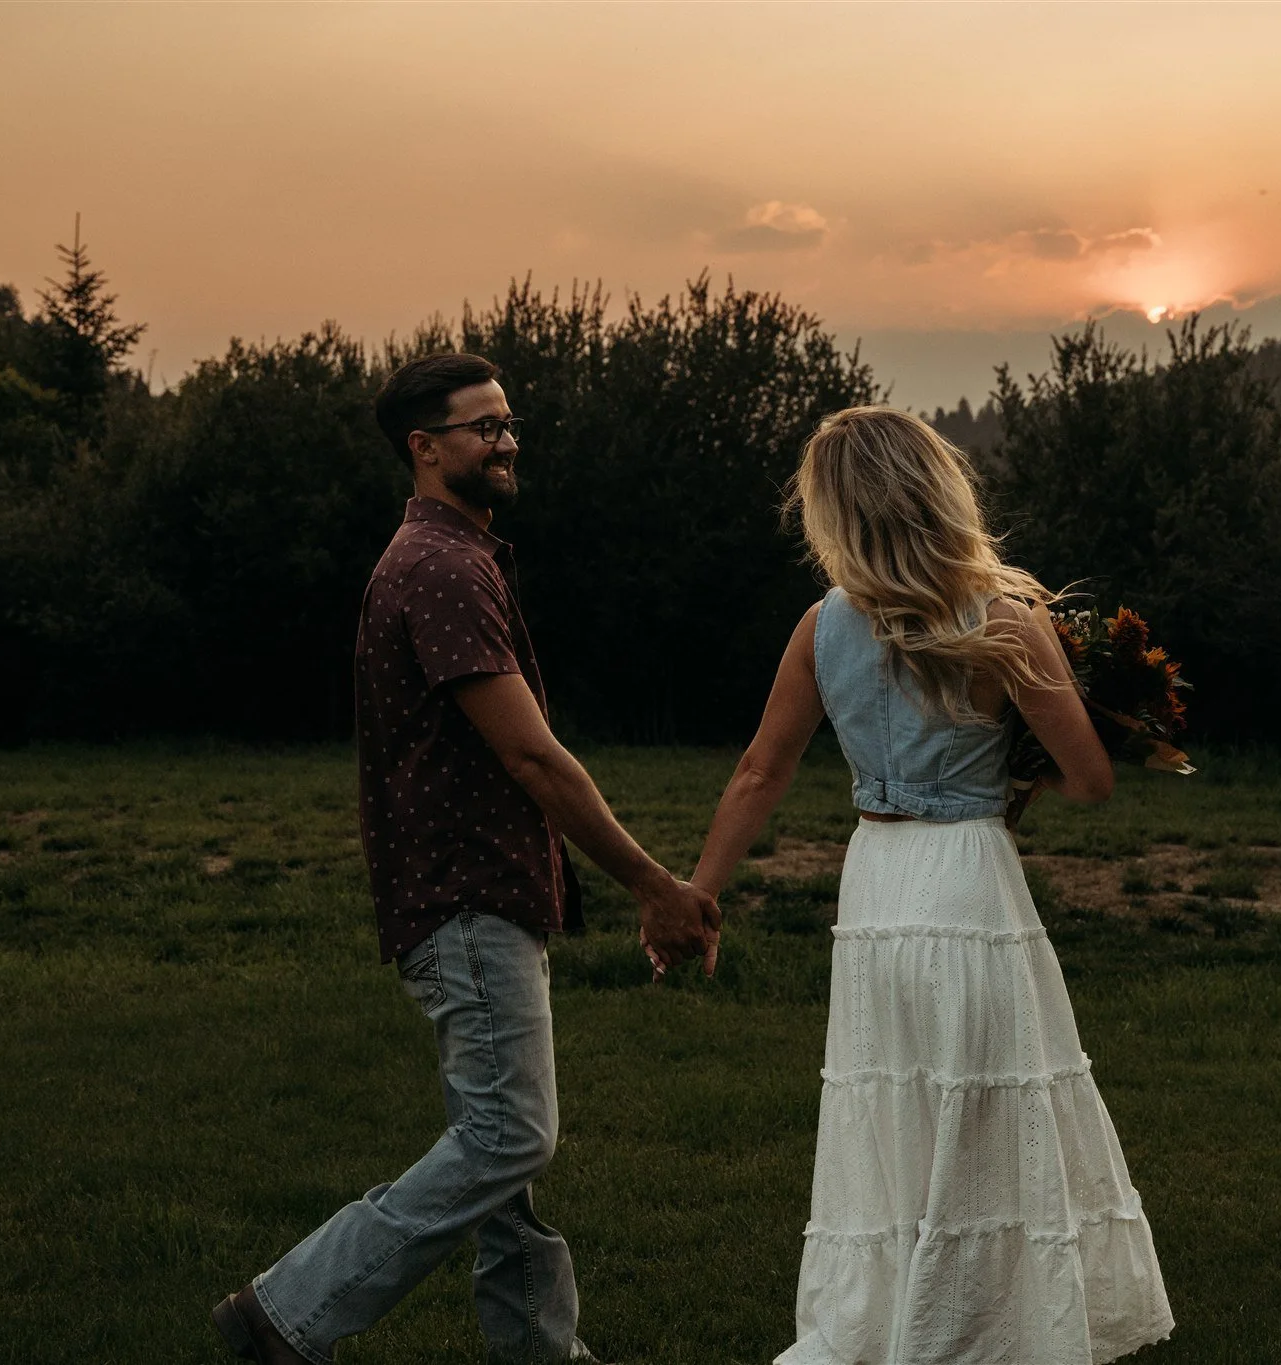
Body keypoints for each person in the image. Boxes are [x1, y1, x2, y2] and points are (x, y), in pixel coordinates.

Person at [213, 353, 720, 1365]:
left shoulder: (450, 558)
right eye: (481, 428)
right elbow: (531, 753)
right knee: (506, 1139)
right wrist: (651, 883)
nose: (505, 441)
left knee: (501, 1166)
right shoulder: (440, 570)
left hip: (474, 893)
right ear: (424, 447)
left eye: (508, 423)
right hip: (463, 897)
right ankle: (283, 1314)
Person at [691, 406, 1174, 1363]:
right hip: (967, 884)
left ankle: (891, 1324)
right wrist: (1023, 764)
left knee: (895, 1110)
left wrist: (698, 890)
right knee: (989, 1106)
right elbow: (1093, 778)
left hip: (875, 890)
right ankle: (986, 1331)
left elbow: (761, 769)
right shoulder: (1005, 617)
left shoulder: (822, 623)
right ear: (935, 488)